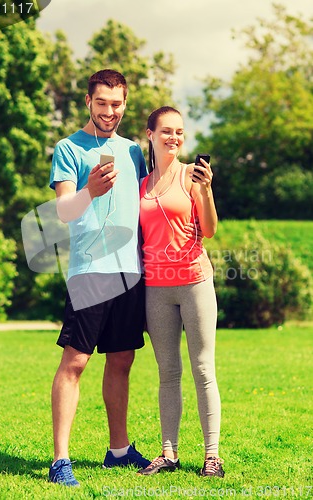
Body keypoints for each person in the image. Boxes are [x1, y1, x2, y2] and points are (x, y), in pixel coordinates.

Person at [48, 69, 150, 487]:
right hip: (91, 270)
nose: (110, 111)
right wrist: (89, 189)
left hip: (130, 271)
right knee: (75, 362)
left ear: (125, 104)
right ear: (88, 102)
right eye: (102, 103)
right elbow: (64, 212)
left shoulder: (132, 151)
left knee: (122, 359)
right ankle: (60, 460)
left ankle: (118, 450)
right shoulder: (68, 148)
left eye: (117, 104)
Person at [137, 106, 224, 477]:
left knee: (203, 369)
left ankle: (212, 456)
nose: (174, 137)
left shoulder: (192, 176)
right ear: (151, 135)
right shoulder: (141, 184)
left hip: (194, 283)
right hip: (156, 288)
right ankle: (169, 453)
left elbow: (210, 228)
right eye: (167, 131)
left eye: (180, 132)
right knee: (168, 372)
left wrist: (205, 191)